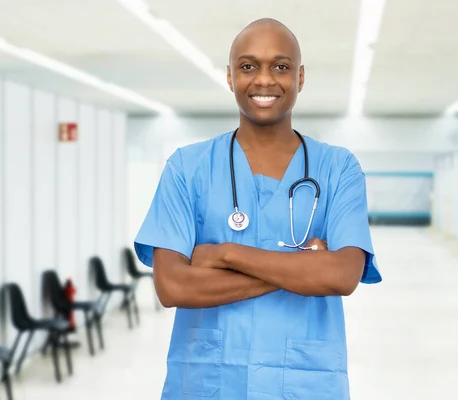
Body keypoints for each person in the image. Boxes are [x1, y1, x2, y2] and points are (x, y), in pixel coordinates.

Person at [134, 17, 382, 400]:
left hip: (305, 384)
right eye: (248, 66)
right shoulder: (187, 167)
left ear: (300, 78)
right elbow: (172, 286)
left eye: (280, 67)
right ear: (230, 78)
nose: (264, 80)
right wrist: (304, 268)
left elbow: (343, 276)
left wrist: (225, 254)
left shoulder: (339, 168)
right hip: (207, 384)